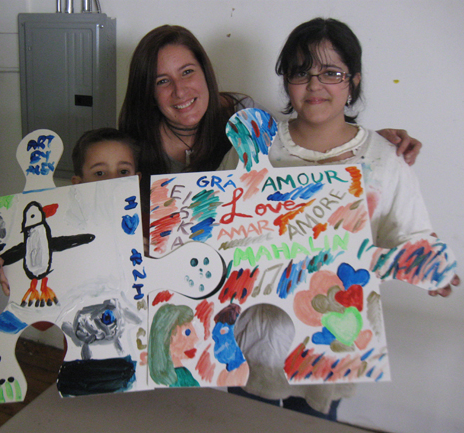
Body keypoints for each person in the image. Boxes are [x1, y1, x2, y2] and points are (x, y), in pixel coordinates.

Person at [222, 17, 459, 420]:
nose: (315, 85)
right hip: (255, 342)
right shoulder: (253, 148)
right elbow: (216, 229)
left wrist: (428, 266)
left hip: (332, 344)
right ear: (286, 81)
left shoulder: (384, 159)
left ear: (354, 81)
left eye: (331, 73)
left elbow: (411, 235)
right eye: (301, 72)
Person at [119, 23, 422, 189]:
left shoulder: (245, 118)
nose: (180, 90)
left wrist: (368, 142)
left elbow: (307, 128)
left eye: (187, 72)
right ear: (147, 91)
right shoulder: (130, 147)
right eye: (162, 81)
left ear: (205, 71)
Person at [0, 127, 140, 296]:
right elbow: (44, 320)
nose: (113, 180)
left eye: (123, 171)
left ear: (138, 178)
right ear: (78, 184)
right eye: (99, 173)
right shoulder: (64, 226)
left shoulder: (150, 227)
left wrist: (149, 256)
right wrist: (11, 274)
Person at [148, 303, 200, 387]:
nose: (196, 338)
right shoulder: (176, 378)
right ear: (167, 338)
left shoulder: (183, 373)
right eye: (187, 332)